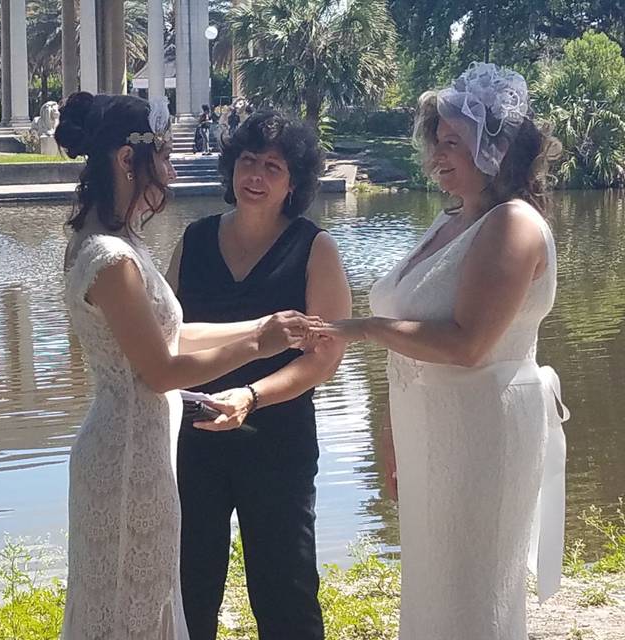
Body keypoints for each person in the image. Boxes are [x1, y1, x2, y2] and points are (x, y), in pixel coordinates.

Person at [315, 62, 569, 640]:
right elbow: (412, 339)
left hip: (484, 428)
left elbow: (468, 345)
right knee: (433, 589)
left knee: (473, 593)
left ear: (496, 148)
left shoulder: (514, 225)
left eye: (452, 143)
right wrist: (391, 429)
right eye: (438, 141)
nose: (437, 156)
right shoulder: (451, 221)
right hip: (428, 425)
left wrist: (358, 327)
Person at [56, 92, 315, 640]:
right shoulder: (111, 258)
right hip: (128, 450)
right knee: (129, 605)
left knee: (149, 600)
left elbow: (169, 334)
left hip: (143, 442)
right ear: (128, 162)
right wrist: (257, 346)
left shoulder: (122, 243)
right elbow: (160, 371)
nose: (171, 173)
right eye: (164, 157)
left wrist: (264, 326)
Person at [166, 110, 352, 640]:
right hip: (193, 435)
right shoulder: (194, 239)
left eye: (273, 167)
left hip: (279, 439)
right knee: (188, 585)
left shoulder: (315, 248)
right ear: (231, 168)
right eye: (248, 161)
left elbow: (324, 359)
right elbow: (167, 333)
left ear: (293, 182)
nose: (256, 176)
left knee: (285, 589)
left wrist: (251, 396)